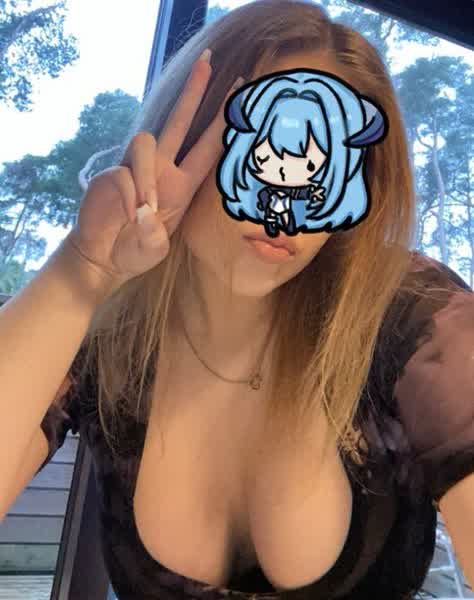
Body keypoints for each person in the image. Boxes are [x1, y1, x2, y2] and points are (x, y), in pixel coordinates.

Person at [0, 1, 473, 599]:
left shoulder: (412, 314)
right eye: (261, 152)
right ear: (186, 139)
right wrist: (82, 270)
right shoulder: (106, 336)